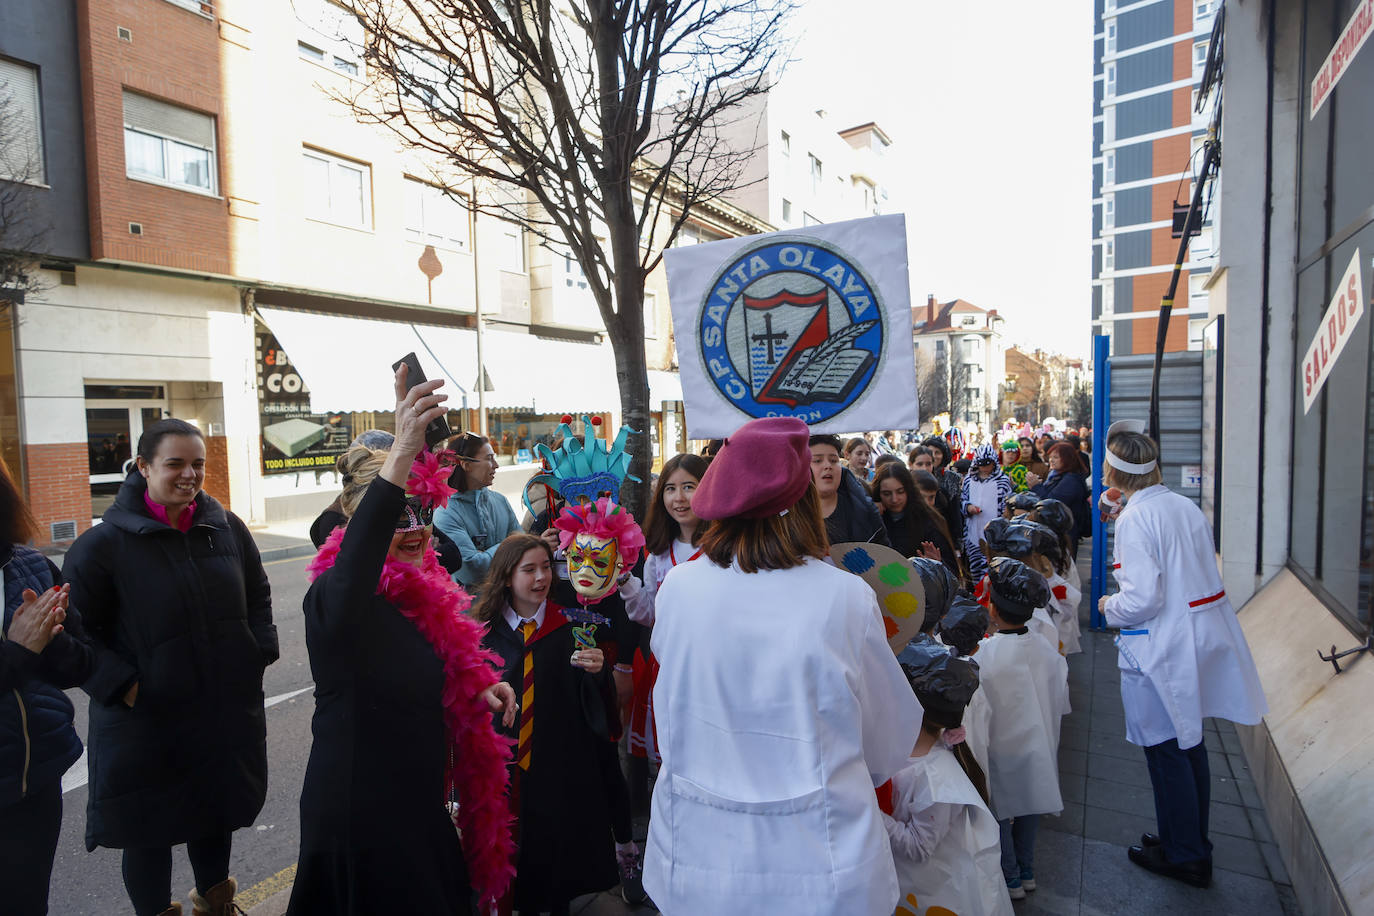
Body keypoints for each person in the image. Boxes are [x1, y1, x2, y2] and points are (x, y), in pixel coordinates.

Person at [643, 417, 923, 915]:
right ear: (803, 502)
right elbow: (887, 740)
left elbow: (671, 709)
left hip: (700, 855)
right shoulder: (846, 598)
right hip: (819, 862)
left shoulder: (679, 590)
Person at [288, 370, 516, 915]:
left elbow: (416, 677)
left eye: (423, 512)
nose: (417, 529)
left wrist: (475, 691)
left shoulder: (421, 597)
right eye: (397, 515)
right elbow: (354, 570)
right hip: (360, 817)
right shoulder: (336, 598)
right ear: (362, 520)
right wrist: (402, 455)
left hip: (417, 804)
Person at [64, 419, 278, 916]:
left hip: (219, 711)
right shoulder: (102, 546)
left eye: (198, 464)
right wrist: (126, 686)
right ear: (142, 467)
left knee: (213, 814)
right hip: (145, 722)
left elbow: (258, 596)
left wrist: (257, 653)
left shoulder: (225, 526)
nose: (189, 475)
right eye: (175, 464)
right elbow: (75, 634)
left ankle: (215, 904)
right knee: (148, 831)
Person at [1098, 425, 1267, 889]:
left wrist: (1108, 605)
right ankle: (1186, 839)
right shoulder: (1181, 505)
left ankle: (1186, 854)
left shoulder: (1137, 519)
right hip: (1194, 638)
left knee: (1166, 750)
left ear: (1114, 469)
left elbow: (1142, 598)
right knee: (1189, 743)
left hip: (1162, 647)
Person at [475, 534, 621, 915]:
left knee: (557, 864)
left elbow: (596, 707)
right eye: (529, 570)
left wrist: (598, 672)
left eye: (545, 568)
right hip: (503, 771)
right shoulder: (482, 633)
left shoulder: (573, 628)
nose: (540, 578)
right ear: (507, 576)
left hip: (557, 765)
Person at [0, 458, 93, 916]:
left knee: (27, 900)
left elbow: (78, 667)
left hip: (32, 780)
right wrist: (19, 652)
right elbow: (18, 658)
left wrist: (53, 641)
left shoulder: (30, 566)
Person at [615, 452, 709, 903]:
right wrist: (626, 583)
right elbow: (651, 616)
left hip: (715, 681)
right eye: (670, 488)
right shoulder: (657, 555)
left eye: (689, 486)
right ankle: (668, 871)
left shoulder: (729, 547)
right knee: (667, 774)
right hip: (669, 680)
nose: (678, 497)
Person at [884, 642, 1011, 916]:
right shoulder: (906, 751)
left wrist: (871, 812)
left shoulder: (935, 779)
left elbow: (918, 847)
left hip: (929, 892)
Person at [976, 557, 1069, 901]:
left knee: (1001, 809)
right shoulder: (1046, 648)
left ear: (993, 610)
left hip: (1000, 747)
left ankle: (1010, 875)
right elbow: (1062, 699)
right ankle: (1026, 871)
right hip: (1039, 742)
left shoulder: (985, 654)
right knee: (1031, 804)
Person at [433, 431, 521, 593]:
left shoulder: (499, 500)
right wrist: (511, 544)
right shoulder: (446, 511)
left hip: (507, 605)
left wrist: (486, 555)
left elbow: (523, 549)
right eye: (489, 458)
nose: (496, 465)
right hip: (470, 612)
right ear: (466, 465)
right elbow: (472, 571)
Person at [873, 463, 959, 575]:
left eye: (900, 492)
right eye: (887, 494)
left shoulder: (928, 521)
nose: (894, 499)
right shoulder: (873, 519)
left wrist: (937, 564)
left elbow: (952, 571)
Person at [810, 433, 888, 546]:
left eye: (833, 460)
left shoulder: (865, 511)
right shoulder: (788, 514)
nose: (828, 466)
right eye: (817, 460)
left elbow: (885, 556)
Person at [961, 444, 1012, 581]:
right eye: (980, 463)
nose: (983, 467)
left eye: (987, 463)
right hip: (973, 533)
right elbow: (962, 501)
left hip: (995, 536)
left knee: (995, 572)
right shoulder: (968, 481)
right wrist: (968, 507)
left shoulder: (1002, 481)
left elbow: (1007, 508)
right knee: (975, 571)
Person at [1029, 442, 1092, 554]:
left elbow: (1051, 504)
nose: (1051, 460)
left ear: (1067, 459)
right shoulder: (1056, 476)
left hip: (1065, 535)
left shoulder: (1071, 480)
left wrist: (1036, 486)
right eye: (1050, 457)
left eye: (1056, 457)